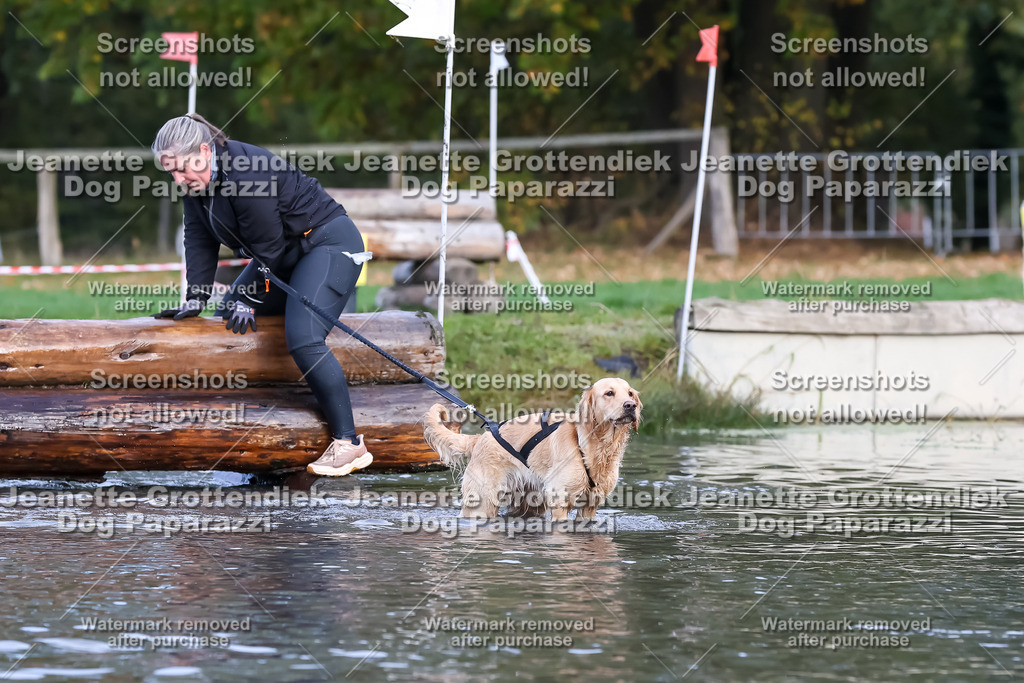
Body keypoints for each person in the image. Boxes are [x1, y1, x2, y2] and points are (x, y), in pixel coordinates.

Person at [151, 113, 372, 477]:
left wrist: (248, 298)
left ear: (204, 151)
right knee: (229, 315)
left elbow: (268, 247)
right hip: (287, 253)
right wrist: (196, 297)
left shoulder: (246, 171)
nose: (178, 180)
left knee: (303, 338)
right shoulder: (196, 185)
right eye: (170, 172)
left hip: (328, 245)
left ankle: (349, 443)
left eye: (182, 169)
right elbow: (198, 237)